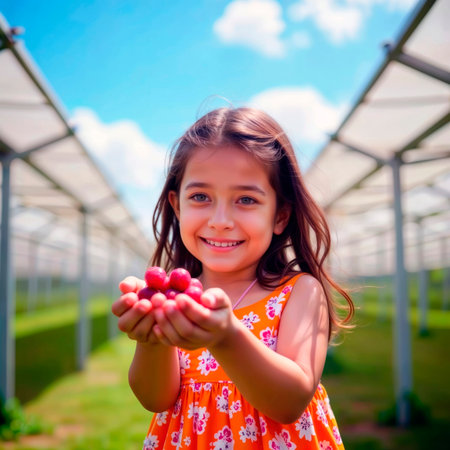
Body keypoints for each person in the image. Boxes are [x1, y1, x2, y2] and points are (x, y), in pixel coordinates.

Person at [112, 107, 354, 449]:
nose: (221, 220)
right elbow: (156, 399)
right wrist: (151, 339)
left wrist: (226, 336)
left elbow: (289, 403)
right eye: (200, 197)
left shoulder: (299, 292)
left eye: (246, 199)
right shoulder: (175, 300)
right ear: (177, 206)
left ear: (280, 215)